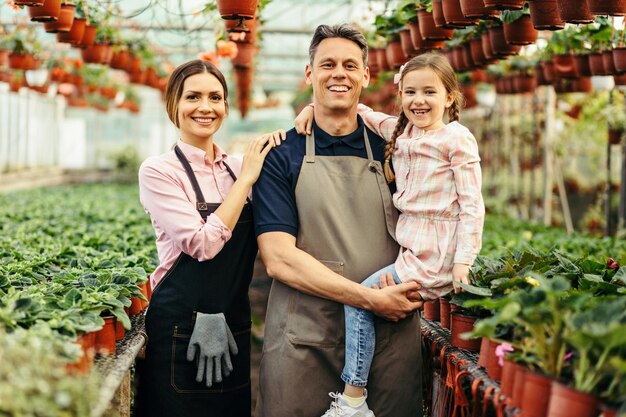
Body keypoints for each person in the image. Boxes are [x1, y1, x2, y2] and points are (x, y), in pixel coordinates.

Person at [295, 52, 486, 416]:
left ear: (449, 97)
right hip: (412, 252)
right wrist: (310, 109)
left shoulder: (456, 139)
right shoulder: (403, 134)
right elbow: (364, 113)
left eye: (429, 92)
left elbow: (472, 205)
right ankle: (356, 397)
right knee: (367, 301)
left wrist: (463, 262)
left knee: (359, 298)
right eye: (410, 92)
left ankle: (353, 401)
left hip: (434, 256)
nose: (418, 101)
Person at [252, 24, 424, 417]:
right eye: (327, 64)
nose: (339, 74)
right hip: (305, 338)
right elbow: (278, 259)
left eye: (350, 65)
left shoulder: (396, 149)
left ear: (366, 75)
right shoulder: (281, 155)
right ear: (309, 74)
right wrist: (370, 299)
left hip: (388, 335)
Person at [134, 59, 284, 417]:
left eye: (215, 97)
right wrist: (247, 181)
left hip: (231, 321)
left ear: (226, 106)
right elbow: (202, 245)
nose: (205, 107)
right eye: (193, 97)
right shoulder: (159, 171)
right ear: (174, 105)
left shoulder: (237, 165)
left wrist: (307, 117)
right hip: (178, 328)